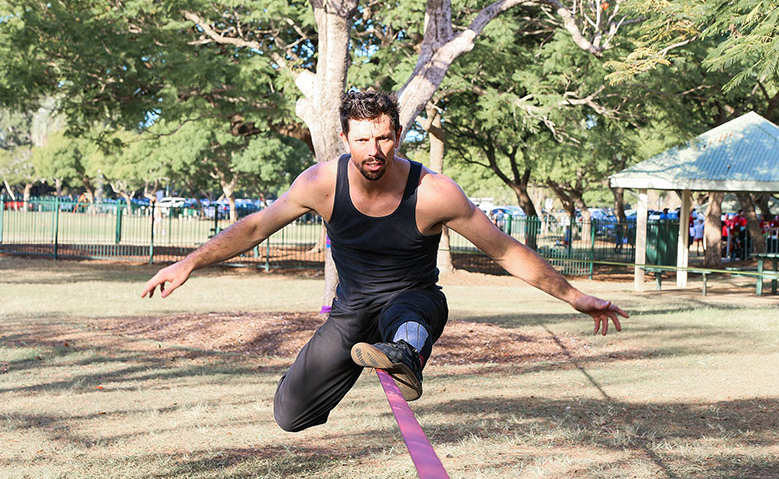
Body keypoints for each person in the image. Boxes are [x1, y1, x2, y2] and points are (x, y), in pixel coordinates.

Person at [141, 91, 629, 433]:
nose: (373, 151)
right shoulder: (320, 183)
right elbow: (253, 227)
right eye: (362, 140)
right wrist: (189, 263)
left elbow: (504, 250)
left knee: (408, 316)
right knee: (290, 413)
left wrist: (575, 297)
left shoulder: (435, 192)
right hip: (351, 311)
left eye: (384, 139)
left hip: (413, 300)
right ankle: (386, 352)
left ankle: (405, 355)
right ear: (344, 138)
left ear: (398, 134)